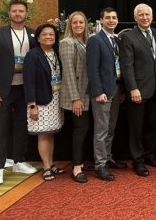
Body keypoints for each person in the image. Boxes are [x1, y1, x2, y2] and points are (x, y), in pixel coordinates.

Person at [0, 0, 38, 186]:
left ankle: (19, 161)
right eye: (14, 11)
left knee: (22, 126)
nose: (18, 14)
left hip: (25, 89)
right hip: (2, 90)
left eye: (21, 11)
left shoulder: (32, 34)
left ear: (26, 13)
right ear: (9, 13)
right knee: (0, 129)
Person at [120, 3, 156, 177]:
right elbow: (126, 65)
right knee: (136, 127)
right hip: (138, 90)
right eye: (141, 15)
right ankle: (137, 161)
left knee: (153, 125)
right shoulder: (129, 37)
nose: (145, 17)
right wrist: (133, 88)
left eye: (147, 14)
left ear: (152, 17)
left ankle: (150, 155)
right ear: (135, 17)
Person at [87, 7, 126, 181]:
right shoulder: (95, 40)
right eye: (108, 18)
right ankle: (100, 165)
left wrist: (122, 90)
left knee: (111, 128)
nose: (111, 20)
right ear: (101, 20)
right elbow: (92, 69)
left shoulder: (116, 39)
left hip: (116, 89)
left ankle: (108, 157)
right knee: (101, 130)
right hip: (102, 92)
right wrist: (98, 91)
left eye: (114, 18)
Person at [23, 23, 65, 181]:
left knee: (50, 133)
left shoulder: (56, 53)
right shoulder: (33, 55)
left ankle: (51, 163)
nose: (49, 37)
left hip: (55, 98)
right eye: (45, 34)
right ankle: (46, 167)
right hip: (40, 102)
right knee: (42, 135)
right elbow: (29, 82)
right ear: (38, 38)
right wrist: (32, 105)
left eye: (52, 35)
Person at [59, 11, 91, 183]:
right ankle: (77, 167)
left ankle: (82, 161)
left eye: (81, 22)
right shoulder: (67, 43)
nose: (78, 25)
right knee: (80, 130)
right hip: (77, 94)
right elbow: (69, 73)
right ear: (69, 25)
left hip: (87, 92)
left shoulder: (85, 42)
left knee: (86, 129)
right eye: (74, 23)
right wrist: (75, 98)